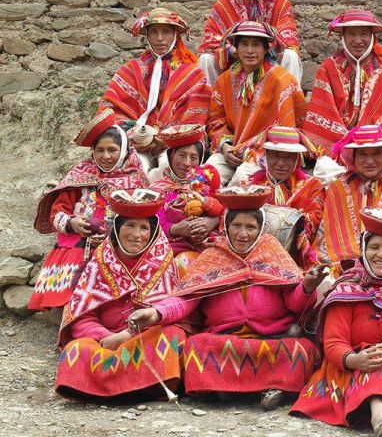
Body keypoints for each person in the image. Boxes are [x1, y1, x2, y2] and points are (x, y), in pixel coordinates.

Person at [128, 186, 322, 410]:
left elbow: (295, 304)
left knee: (303, 349)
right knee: (196, 345)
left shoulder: (273, 253)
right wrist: (155, 313)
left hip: (271, 338)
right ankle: (264, 387)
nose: (243, 233)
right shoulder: (212, 256)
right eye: (236, 226)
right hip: (225, 340)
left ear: (260, 230)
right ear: (226, 227)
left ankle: (235, 388)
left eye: (250, 227)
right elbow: (185, 300)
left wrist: (308, 286)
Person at [290, 209, 382, 437]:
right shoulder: (347, 286)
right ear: (363, 250)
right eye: (374, 247)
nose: (381, 255)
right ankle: (380, 415)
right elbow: (334, 340)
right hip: (349, 368)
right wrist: (353, 360)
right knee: (374, 365)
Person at [55, 189, 184, 400]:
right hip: (105, 343)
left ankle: (102, 387)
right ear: (116, 229)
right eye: (129, 225)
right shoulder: (98, 263)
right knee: (77, 348)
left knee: (172, 336)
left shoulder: (164, 262)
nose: (136, 234)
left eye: (144, 228)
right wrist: (108, 338)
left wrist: (147, 320)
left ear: (153, 233)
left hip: (145, 339)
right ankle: (139, 385)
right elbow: (81, 316)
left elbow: (177, 303)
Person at [31, 110, 148, 311]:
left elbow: (144, 219)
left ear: (124, 150)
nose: (106, 156)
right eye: (100, 150)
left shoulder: (136, 179)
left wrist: (112, 235)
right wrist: (72, 223)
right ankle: (70, 308)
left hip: (121, 242)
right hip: (78, 241)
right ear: (93, 151)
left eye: (112, 150)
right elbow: (56, 214)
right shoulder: (80, 175)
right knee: (78, 253)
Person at [98, 8, 211, 181]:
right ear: (147, 37)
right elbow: (109, 110)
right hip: (136, 143)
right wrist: (135, 134)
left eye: (166, 32)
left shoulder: (193, 74)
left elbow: (196, 118)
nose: (160, 38)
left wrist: (163, 138)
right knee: (134, 166)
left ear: (175, 35)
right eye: (154, 32)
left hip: (177, 145)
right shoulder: (130, 70)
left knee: (169, 166)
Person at [206, 21, 306, 186]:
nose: (250, 51)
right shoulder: (224, 80)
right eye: (244, 44)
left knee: (242, 178)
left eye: (256, 45)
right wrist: (225, 146)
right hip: (233, 149)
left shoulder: (282, 80)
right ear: (235, 49)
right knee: (207, 173)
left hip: (267, 153)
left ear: (266, 49)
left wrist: (252, 150)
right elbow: (216, 120)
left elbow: (288, 127)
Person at [303, 10, 382, 163]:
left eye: (364, 34)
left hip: (377, 147)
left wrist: (369, 142)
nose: (358, 40)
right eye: (352, 34)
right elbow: (322, 111)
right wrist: (347, 144)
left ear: (373, 37)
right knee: (326, 170)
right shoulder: (328, 68)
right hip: (338, 146)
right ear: (343, 37)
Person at [317, 125, 382, 272]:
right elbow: (327, 239)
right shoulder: (338, 188)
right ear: (354, 157)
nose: (370, 161)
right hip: (342, 269)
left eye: (376, 154)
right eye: (363, 155)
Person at [243, 125, 343, 269]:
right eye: (276, 156)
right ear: (266, 155)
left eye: (289, 157)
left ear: (297, 159)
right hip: (252, 255)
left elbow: (316, 220)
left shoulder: (313, 187)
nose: (281, 164)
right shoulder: (249, 187)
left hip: (295, 259)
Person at [198, 0, 301, 83]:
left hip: (270, 61)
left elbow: (287, 37)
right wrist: (231, 50)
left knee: (291, 56)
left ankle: (289, 99)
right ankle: (212, 100)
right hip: (233, 64)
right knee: (206, 58)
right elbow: (212, 38)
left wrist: (261, 50)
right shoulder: (224, 5)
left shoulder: (280, 5)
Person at [149, 124, 223, 269]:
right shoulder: (157, 190)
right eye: (182, 155)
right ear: (171, 156)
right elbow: (152, 223)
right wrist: (176, 229)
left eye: (194, 157)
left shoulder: (208, 181)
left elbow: (225, 210)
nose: (187, 163)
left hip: (208, 242)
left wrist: (212, 222)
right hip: (174, 246)